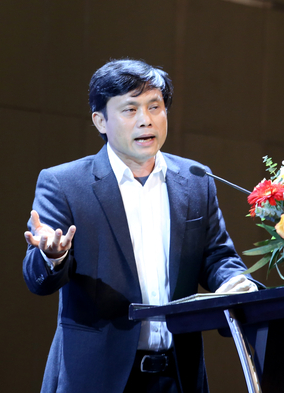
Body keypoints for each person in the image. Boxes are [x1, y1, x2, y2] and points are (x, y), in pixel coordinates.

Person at [22, 59, 258, 393]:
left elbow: (217, 256)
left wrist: (235, 280)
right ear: (100, 121)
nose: (145, 120)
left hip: (178, 375)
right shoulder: (65, 183)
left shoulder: (195, 180)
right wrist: (52, 256)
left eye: (154, 107)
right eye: (130, 110)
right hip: (96, 377)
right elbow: (38, 279)